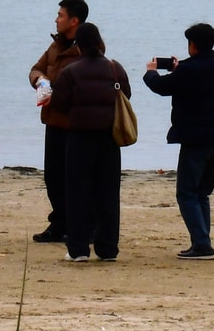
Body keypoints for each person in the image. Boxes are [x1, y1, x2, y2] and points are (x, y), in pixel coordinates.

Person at [142, 22, 214, 260]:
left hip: (195, 139)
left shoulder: (187, 71)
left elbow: (161, 87)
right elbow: (194, 79)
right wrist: (178, 68)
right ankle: (202, 241)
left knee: (187, 193)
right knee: (202, 193)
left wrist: (151, 71)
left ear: (192, 45)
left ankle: (202, 244)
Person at [50, 22, 130, 262]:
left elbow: (60, 105)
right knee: (107, 193)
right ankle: (107, 249)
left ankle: (79, 249)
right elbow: (126, 95)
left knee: (77, 193)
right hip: (109, 138)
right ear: (99, 41)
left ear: (79, 45)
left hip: (80, 137)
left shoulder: (71, 72)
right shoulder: (115, 68)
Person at [27, 0, 86, 243]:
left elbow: (86, 86)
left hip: (75, 124)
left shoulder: (85, 49)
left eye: (60, 15)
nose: (56, 19)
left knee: (76, 178)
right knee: (52, 177)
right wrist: (40, 81)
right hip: (52, 121)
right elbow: (35, 68)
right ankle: (58, 223)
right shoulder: (55, 46)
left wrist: (58, 94)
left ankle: (81, 226)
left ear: (74, 20)